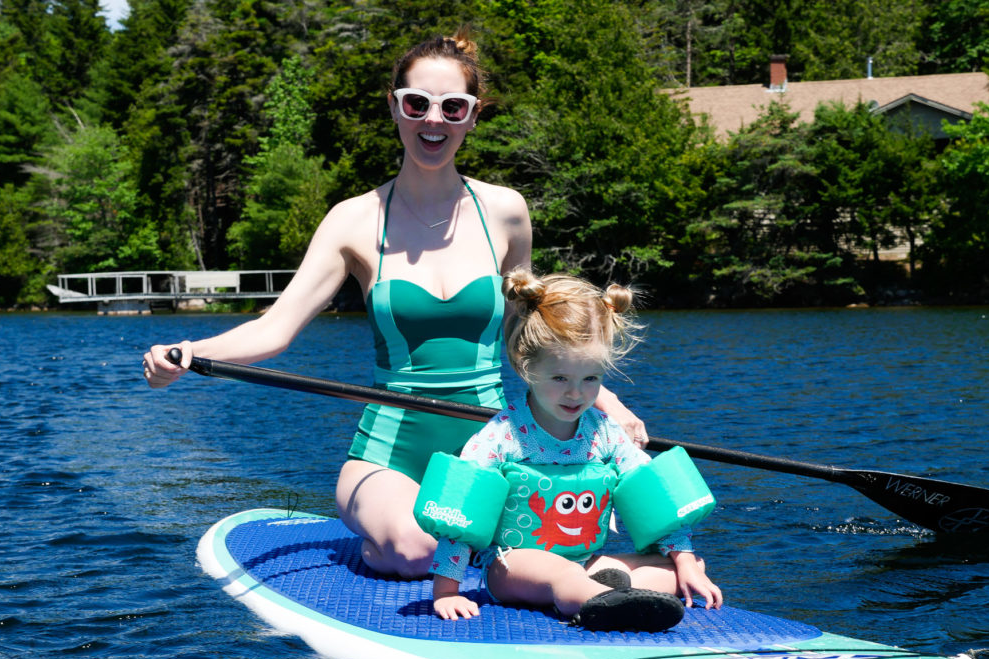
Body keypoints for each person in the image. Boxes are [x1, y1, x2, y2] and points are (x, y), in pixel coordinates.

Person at [142, 32, 646, 578]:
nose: (435, 121)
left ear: (473, 117)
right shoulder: (352, 220)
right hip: (388, 457)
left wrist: (605, 402)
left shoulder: (506, 212)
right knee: (416, 549)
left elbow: (531, 338)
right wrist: (189, 352)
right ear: (394, 107)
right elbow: (276, 328)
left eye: (453, 107)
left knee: (561, 546)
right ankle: (379, 545)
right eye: (417, 104)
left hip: (495, 450)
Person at [419, 268, 723, 632]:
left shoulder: (606, 435)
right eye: (560, 378)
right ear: (526, 368)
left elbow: (654, 500)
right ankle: (594, 600)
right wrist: (446, 592)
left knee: (679, 567)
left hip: (588, 560)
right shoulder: (501, 437)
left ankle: (605, 592)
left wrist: (685, 561)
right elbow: (460, 519)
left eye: (590, 379)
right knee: (563, 573)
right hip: (515, 565)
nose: (576, 394)